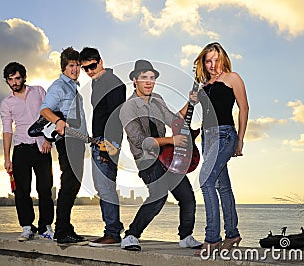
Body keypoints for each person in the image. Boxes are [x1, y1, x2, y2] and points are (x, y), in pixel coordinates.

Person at [119, 59, 202, 251]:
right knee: (158, 195)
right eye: (144, 78)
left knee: (187, 197)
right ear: (134, 80)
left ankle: (186, 236)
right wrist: (172, 141)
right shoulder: (128, 107)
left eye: (152, 78)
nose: (149, 81)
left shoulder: (157, 99)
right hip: (147, 159)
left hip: (167, 157)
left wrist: (191, 103)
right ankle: (131, 236)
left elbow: (174, 120)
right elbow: (141, 141)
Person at [194, 42, 249, 255]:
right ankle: (233, 233)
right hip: (207, 139)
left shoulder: (232, 78)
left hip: (225, 134)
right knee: (222, 185)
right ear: (203, 63)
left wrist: (240, 140)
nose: (212, 64)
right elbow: (182, 113)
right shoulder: (203, 86)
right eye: (208, 61)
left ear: (223, 58)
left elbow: (244, 108)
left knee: (206, 180)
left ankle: (212, 238)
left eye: (216, 59)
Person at [0, 62, 54, 241]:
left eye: (17, 78)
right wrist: (7, 158)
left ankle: (46, 226)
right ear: (7, 81)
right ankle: (26, 227)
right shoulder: (6, 103)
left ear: (24, 77)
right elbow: (7, 130)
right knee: (21, 191)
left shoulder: (38, 91)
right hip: (21, 149)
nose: (14, 82)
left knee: (45, 188)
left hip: (42, 147)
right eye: (10, 79)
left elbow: (50, 115)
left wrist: (48, 139)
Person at [40, 47, 88, 245]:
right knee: (69, 182)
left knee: (74, 183)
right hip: (67, 139)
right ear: (64, 67)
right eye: (71, 65)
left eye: (77, 65)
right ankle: (61, 231)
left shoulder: (74, 88)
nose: (75, 69)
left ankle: (66, 227)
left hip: (77, 139)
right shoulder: (59, 86)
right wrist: (58, 122)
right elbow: (45, 109)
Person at [79, 47, 126, 247]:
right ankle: (113, 228)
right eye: (85, 69)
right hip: (98, 141)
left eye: (92, 66)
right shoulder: (97, 84)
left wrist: (110, 146)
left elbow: (117, 117)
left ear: (100, 61)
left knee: (105, 188)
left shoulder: (113, 83)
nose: (89, 71)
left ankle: (113, 233)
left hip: (107, 143)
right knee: (103, 187)